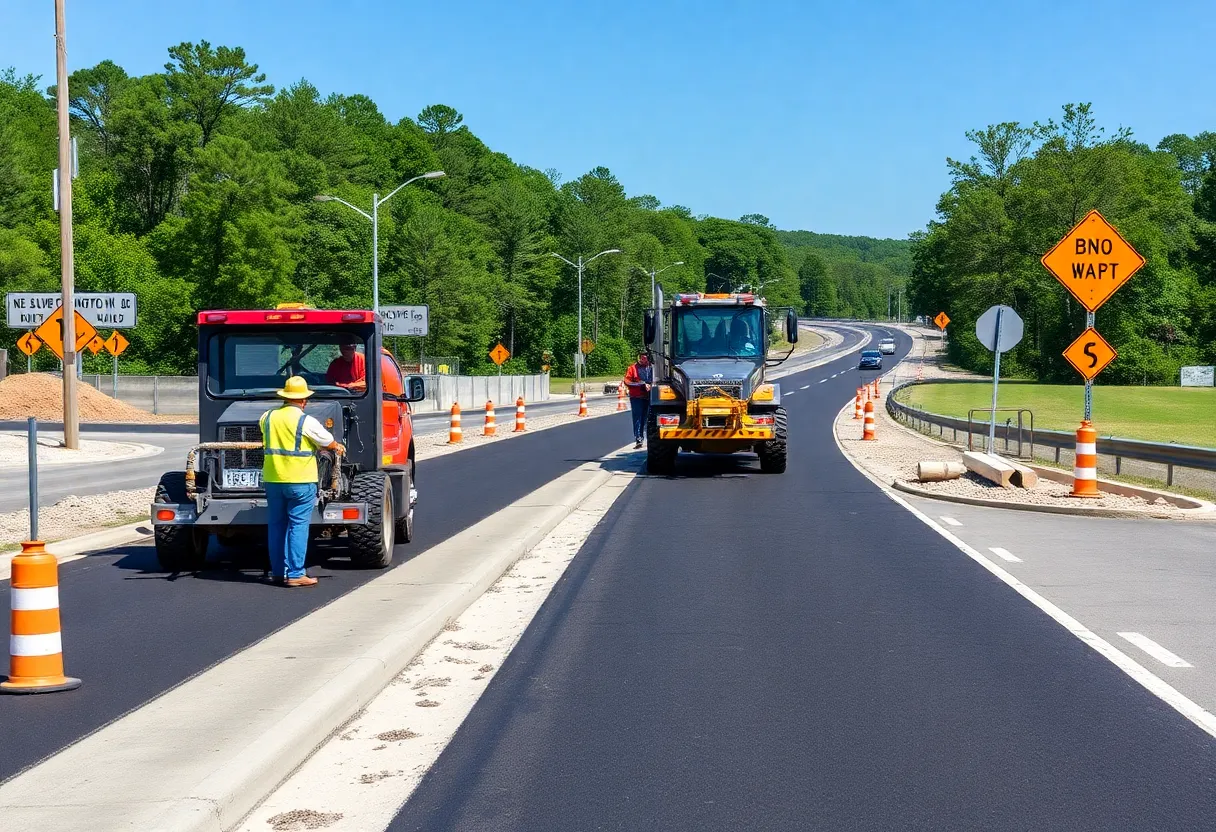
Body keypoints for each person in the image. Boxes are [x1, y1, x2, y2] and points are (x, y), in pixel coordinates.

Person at [260, 376, 345, 587]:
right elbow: (327, 441)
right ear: (303, 400)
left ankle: (279, 572)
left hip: (273, 479)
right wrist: (336, 446)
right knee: (298, 525)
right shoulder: (305, 421)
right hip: (300, 480)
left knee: (276, 526)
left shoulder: (267, 417)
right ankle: (296, 573)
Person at [623, 351, 653, 449]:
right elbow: (627, 381)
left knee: (649, 418)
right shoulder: (632, 368)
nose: (643, 360)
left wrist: (651, 385)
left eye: (645, 358)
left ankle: (651, 438)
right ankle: (639, 438)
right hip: (637, 397)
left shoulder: (652, 368)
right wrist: (641, 384)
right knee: (638, 418)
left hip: (650, 397)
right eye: (642, 358)